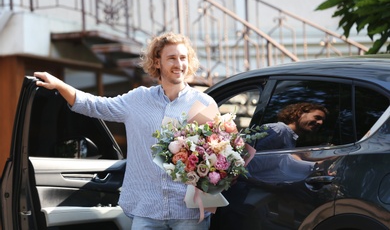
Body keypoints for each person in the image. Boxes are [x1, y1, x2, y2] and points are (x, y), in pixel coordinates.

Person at [34, 32, 218, 230]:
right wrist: (60, 85)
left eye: (183, 58)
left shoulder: (203, 103)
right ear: (157, 62)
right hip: (147, 211)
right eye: (171, 58)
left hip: (188, 211)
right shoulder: (138, 100)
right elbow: (96, 106)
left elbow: (217, 153)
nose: (179, 64)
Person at [253, 102, 329, 151]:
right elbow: (252, 157)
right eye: (317, 118)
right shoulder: (279, 130)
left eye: (322, 120)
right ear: (299, 113)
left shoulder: (290, 137)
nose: (320, 123)